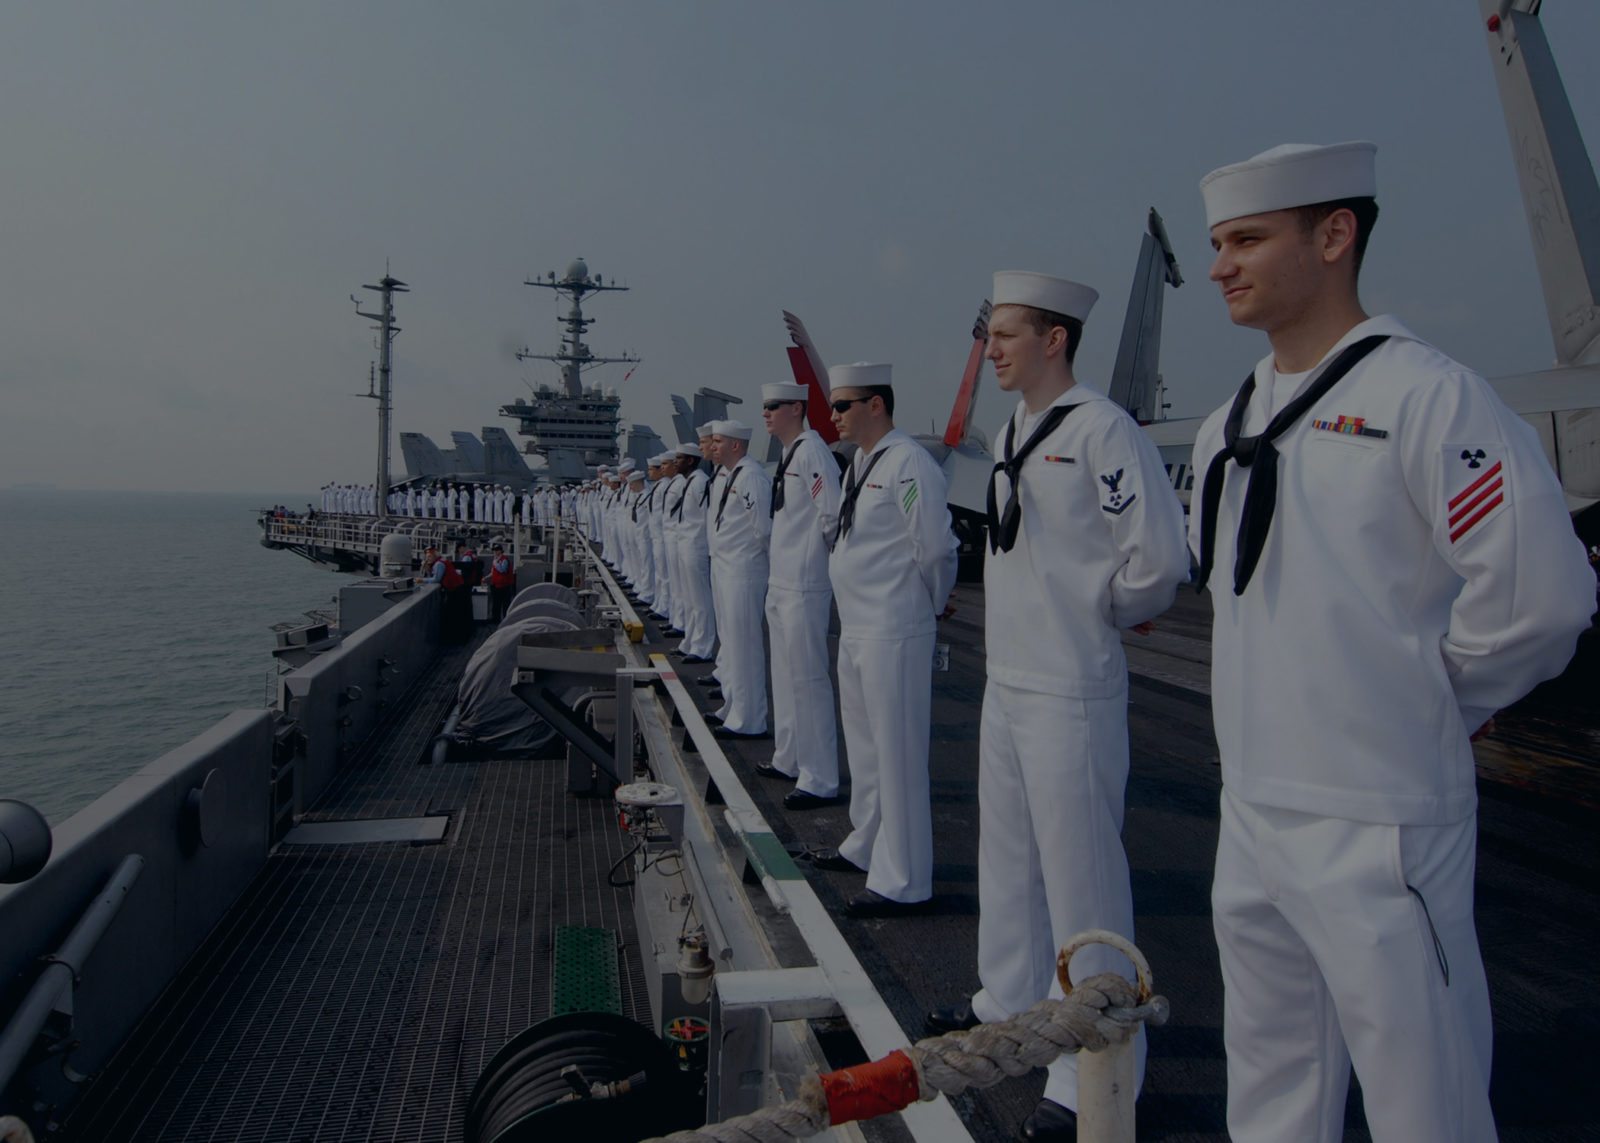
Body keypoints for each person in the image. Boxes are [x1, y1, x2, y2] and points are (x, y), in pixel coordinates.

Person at [1190, 141, 1594, 1143]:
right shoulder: (1223, 425)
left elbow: (1541, 597)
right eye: (1214, 243)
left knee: (1426, 1100)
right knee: (1271, 1082)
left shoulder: (1427, 396)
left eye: (1246, 238)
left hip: (1378, 816)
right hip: (1253, 806)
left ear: (1333, 236)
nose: (1220, 265)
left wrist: (1425, 702)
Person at [925, 272, 1189, 1141]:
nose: (991, 347)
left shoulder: (1103, 430)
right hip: (1010, 678)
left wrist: (1090, 615)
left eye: (1006, 333)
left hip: (1071, 684)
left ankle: (1096, 1072)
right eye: (990, 332)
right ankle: (1007, 1009)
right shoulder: (1015, 429)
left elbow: (1154, 560)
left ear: (1055, 339)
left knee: (1084, 885)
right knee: (1009, 865)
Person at [807, 363, 958, 917]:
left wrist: (931, 604)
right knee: (867, 749)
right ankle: (866, 842)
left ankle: (905, 879)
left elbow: (935, 548)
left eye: (843, 405)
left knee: (896, 755)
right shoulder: (860, 466)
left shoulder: (909, 462)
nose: (834, 416)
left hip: (894, 629)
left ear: (877, 405)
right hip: (857, 626)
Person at [759, 380, 842, 808]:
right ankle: (789, 756)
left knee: (808, 680)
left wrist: (818, 566)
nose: (766, 413)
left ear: (796, 407)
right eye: (764, 407)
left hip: (803, 583)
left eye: (773, 406)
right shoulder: (790, 454)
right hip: (782, 581)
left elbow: (830, 512)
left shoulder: (811, 452)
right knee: (786, 676)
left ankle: (819, 776)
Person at [707, 420, 772, 739]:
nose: (712, 446)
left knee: (745, 646)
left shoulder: (751, 477)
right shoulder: (727, 475)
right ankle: (732, 706)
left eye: (718, 441)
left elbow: (764, 531)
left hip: (743, 570)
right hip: (725, 566)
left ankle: (749, 718)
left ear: (736, 445)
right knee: (731, 643)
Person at [670, 440, 717, 664]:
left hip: (696, 546)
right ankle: (689, 641)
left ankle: (702, 647)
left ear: (690, 460)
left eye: (679, 459)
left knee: (700, 600)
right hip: (684, 543)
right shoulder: (689, 482)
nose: (675, 462)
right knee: (689, 598)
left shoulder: (700, 483)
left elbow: (707, 517)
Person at [487, 543, 515, 622]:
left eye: (497, 550)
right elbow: (493, 572)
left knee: (505, 603)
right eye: (494, 551)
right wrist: (486, 578)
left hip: (504, 586)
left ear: (501, 551)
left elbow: (502, 570)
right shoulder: (496, 560)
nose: (495, 552)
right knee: (496, 603)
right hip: (496, 585)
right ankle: (496, 619)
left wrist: (495, 563)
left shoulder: (504, 560)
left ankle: (506, 620)